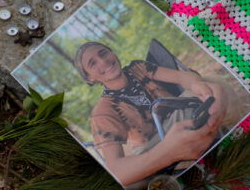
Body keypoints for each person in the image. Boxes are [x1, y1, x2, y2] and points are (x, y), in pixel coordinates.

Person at [74, 42, 228, 186]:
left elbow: (181, 76)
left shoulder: (138, 68)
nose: (103, 62)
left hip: (181, 113)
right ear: (89, 78)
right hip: (155, 145)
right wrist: (167, 151)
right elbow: (116, 171)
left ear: (112, 52)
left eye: (103, 53)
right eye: (92, 63)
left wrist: (197, 84)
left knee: (212, 83)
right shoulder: (103, 111)